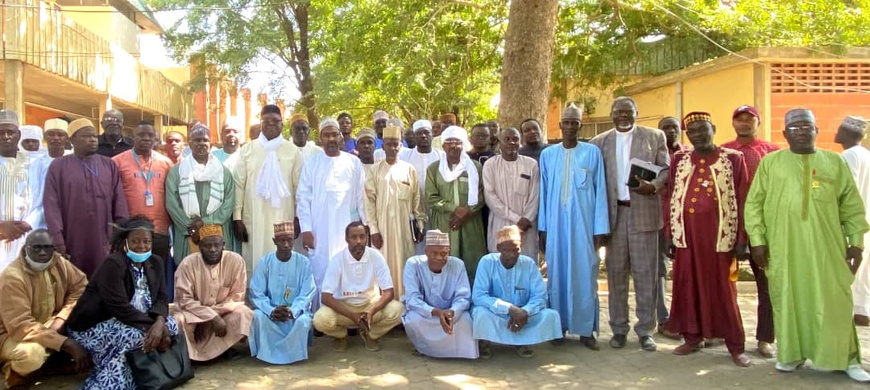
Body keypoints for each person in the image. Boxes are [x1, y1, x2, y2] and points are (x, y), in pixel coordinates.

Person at [745, 108, 870, 382]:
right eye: (794, 127)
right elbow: (754, 204)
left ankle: (846, 358)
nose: (801, 131)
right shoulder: (771, 163)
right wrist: (757, 241)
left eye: (806, 126)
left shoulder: (834, 163)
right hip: (783, 247)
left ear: (816, 131)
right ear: (784, 134)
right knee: (788, 298)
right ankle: (791, 354)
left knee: (836, 300)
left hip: (828, 249)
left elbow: (852, 207)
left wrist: (856, 244)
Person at [664, 112, 751, 367]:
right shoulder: (679, 159)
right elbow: (670, 196)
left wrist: (741, 239)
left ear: (713, 128)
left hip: (719, 239)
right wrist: (669, 233)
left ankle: (736, 346)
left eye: (704, 130)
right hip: (686, 238)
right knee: (687, 287)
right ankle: (692, 338)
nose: (699, 136)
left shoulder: (733, 159)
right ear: (687, 136)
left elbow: (743, 198)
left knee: (723, 291)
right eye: (693, 132)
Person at [589, 97, 669, 351]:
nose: (623, 116)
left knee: (646, 274)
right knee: (616, 274)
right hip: (614, 216)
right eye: (618, 112)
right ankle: (619, 329)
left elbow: (666, 169)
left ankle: (646, 330)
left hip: (643, 212)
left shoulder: (654, 137)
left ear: (637, 113)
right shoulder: (598, 142)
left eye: (628, 112)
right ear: (611, 115)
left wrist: (654, 186)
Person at [66, 216, 179, 390]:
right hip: (94, 325)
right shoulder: (113, 265)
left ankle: (145, 371)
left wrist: (160, 323)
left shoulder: (155, 262)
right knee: (134, 335)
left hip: (136, 320)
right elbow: (121, 310)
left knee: (173, 324)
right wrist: (156, 327)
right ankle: (111, 379)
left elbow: (162, 298)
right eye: (135, 241)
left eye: (146, 241)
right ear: (125, 242)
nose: (141, 247)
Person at [538, 103, 608, 350]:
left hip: (584, 226)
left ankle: (586, 330)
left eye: (574, 123)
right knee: (556, 276)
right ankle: (558, 328)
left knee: (585, 275)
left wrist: (600, 229)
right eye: (566, 122)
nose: (570, 127)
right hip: (555, 226)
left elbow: (600, 192)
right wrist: (543, 228)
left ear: (580, 125)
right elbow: (543, 193)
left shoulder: (592, 153)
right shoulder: (548, 155)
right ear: (560, 125)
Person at [718, 105, 780, 358]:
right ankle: (723, 332)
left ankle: (765, 338)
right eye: (739, 119)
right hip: (727, 227)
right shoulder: (723, 151)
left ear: (758, 122)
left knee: (766, 285)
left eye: (749, 119)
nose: (744, 124)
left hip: (761, 229)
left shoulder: (771, 152)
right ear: (733, 123)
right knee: (722, 284)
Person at [0, 230, 89, 389]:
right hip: (11, 333)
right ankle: (15, 374)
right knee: (31, 355)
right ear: (26, 248)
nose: (42, 252)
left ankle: (46, 367)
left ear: (53, 249)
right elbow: (21, 326)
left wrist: (62, 317)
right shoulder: (12, 276)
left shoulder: (59, 262)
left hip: (48, 323)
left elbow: (81, 288)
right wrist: (66, 343)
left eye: (47, 248)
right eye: (36, 248)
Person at [297, 118, 366, 311]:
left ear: (340, 137)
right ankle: (321, 316)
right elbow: (303, 198)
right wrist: (307, 230)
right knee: (320, 269)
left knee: (349, 269)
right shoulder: (312, 163)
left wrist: (365, 227)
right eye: (327, 135)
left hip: (348, 227)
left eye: (334, 134)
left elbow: (361, 197)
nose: (331, 138)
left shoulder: (354, 163)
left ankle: (348, 316)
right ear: (320, 138)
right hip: (320, 229)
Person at [44, 118, 128, 277]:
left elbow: (119, 201)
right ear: (72, 140)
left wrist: (121, 235)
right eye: (86, 136)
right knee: (74, 283)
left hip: (103, 237)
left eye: (94, 136)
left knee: (103, 280)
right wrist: (58, 239)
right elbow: (51, 205)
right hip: (72, 238)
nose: (92, 140)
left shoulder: (108, 164)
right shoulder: (58, 166)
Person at [472, 225, 562, 359]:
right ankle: (485, 341)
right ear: (498, 249)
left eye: (516, 250)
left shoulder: (529, 264)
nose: (512, 255)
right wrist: (508, 308)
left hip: (523, 315)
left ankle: (522, 342)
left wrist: (525, 312)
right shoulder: (487, 262)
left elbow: (540, 296)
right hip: (496, 313)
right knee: (480, 314)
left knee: (551, 315)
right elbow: (478, 296)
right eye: (507, 250)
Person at [312, 222, 404, 352]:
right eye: (353, 237)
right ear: (346, 239)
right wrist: (352, 315)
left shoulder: (376, 256)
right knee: (320, 320)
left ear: (367, 238)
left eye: (362, 237)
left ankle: (370, 334)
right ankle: (340, 336)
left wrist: (371, 310)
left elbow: (389, 292)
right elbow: (326, 297)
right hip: (343, 308)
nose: (358, 241)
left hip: (370, 306)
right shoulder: (337, 260)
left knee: (399, 310)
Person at [233, 105, 301, 277]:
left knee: (282, 259)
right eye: (266, 121)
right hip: (254, 215)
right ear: (261, 123)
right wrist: (237, 218)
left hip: (283, 215)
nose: (271, 124)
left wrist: (298, 217)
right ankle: (255, 298)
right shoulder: (247, 150)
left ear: (282, 124)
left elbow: (299, 188)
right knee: (255, 258)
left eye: (276, 121)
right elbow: (238, 185)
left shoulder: (293, 151)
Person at [173, 224, 252, 362]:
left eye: (217, 245)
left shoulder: (235, 261)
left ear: (224, 245)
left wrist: (215, 315)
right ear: (200, 247)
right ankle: (193, 356)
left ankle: (223, 349)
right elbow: (184, 300)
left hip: (223, 314)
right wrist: (210, 316)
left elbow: (236, 297)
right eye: (207, 246)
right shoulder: (187, 265)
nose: (213, 250)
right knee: (178, 320)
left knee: (244, 313)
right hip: (193, 314)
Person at [365, 125, 426, 298]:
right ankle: (384, 307)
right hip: (382, 231)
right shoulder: (374, 170)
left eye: (396, 144)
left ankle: (405, 307)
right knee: (382, 267)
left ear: (401, 145)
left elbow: (417, 201)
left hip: (404, 231)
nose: (392, 148)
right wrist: (374, 230)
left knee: (405, 266)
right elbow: (369, 202)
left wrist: (420, 225)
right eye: (389, 144)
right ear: (382, 146)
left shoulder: (409, 169)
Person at [402, 230, 478, 359]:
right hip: (424, 312)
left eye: (444, 253)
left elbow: (463, 297)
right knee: (412, 320)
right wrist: (435, 312)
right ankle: (424, 349)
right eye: (435, 253)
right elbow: (412, 298)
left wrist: (452, 311)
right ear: (426, 252)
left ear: (449, 252)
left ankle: (457, 353)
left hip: (451, 313)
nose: (439, 258)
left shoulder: (458, 265)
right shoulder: (413, 264)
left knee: (466, 321)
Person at [249, 221, 316, 365]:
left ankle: (294, 354)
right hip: (271, 312)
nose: (286, 244)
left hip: (294, 312)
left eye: (289, 240)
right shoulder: (265, 262)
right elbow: (257, 293)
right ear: (274, 241)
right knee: (258, 316)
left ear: (293, 240)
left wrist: (292, 311)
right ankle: (266, 354)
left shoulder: (303, 262)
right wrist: (271, 310)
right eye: (281, 241)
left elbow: (307, 292)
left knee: (303, 321)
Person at [166, 125, 236, 261]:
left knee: (218, 274)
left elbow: (228, 202)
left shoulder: (223, 172)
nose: (201, 143)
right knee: (189, 274)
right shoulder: (177, 171)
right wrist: (190, 228)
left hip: (217, 231)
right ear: (190, 144)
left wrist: (205, 223)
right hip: (187, 233)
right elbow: (171, 203)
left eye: (205, 140)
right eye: (197, 140)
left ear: (211, 143)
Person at [426, 126, 486, 283]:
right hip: (445, 223)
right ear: (443, 145)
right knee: (444, 261)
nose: (453, 145)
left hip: (470, 224)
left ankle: (473, 298)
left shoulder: (475, 167)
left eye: (457, 142)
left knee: (472, 262)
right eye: (449, 142)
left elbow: (481, 195)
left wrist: (466, 212)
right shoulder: (434, 169)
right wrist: (454, 209)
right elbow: (431, 197)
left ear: (464, 144)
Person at [113, 121, 173, 263]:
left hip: (159, 231)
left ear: (156, 139)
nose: (146, 138)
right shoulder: (117, 162)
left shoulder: (166, 163)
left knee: (157, 273)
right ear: (132, 137)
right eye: (141, 135)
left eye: (150, 135)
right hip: (130, 230)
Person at [0, 111, 46, 271]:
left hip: (26, 236)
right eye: (1, 133)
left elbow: (43, 199)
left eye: (10, 132)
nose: (6, 136)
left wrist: (28, 223)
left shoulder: (36, 165)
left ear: (18, 135)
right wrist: (2, 226)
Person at [483, 127, 539, 257]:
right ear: (499, 141)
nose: (511, 142)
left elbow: (535, 195)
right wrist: (516, 219)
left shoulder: (531, 164)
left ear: (520, 141)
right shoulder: (490, 164)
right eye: (507, 139)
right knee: (500, 260)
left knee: (526, 260)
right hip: (500, 221)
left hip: (527, 225)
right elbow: (490, 196)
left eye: (515, 139)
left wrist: (526, 219)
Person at [837, 116, 870, 327]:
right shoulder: (866, 154)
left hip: (853, 220)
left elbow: (847, 190)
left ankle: (845, 309)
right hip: (866, 217)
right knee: (865, 266)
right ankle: (862, 310)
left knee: (848, 265)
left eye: (840, 128)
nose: (836, 131)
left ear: (848, 133)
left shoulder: (848, 156)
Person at [656, 116, 684, 340]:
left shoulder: (688, 156)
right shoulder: (654, 156)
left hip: (687, 222)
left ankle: (689, 318)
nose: (670, 131)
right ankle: (664, 320)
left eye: (673, 127)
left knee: (687, 273)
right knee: (660, 271)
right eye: (665, 128)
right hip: (660, 220)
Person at [399, 120, 444, 254]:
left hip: (437, 208)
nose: (423, 136)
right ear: (414, 136)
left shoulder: (442, 156)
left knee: (436, 244)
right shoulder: (404, 156)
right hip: (413, 208)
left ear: (432, 135)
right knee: (417, 244)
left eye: (426, 133)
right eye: (419, 133)